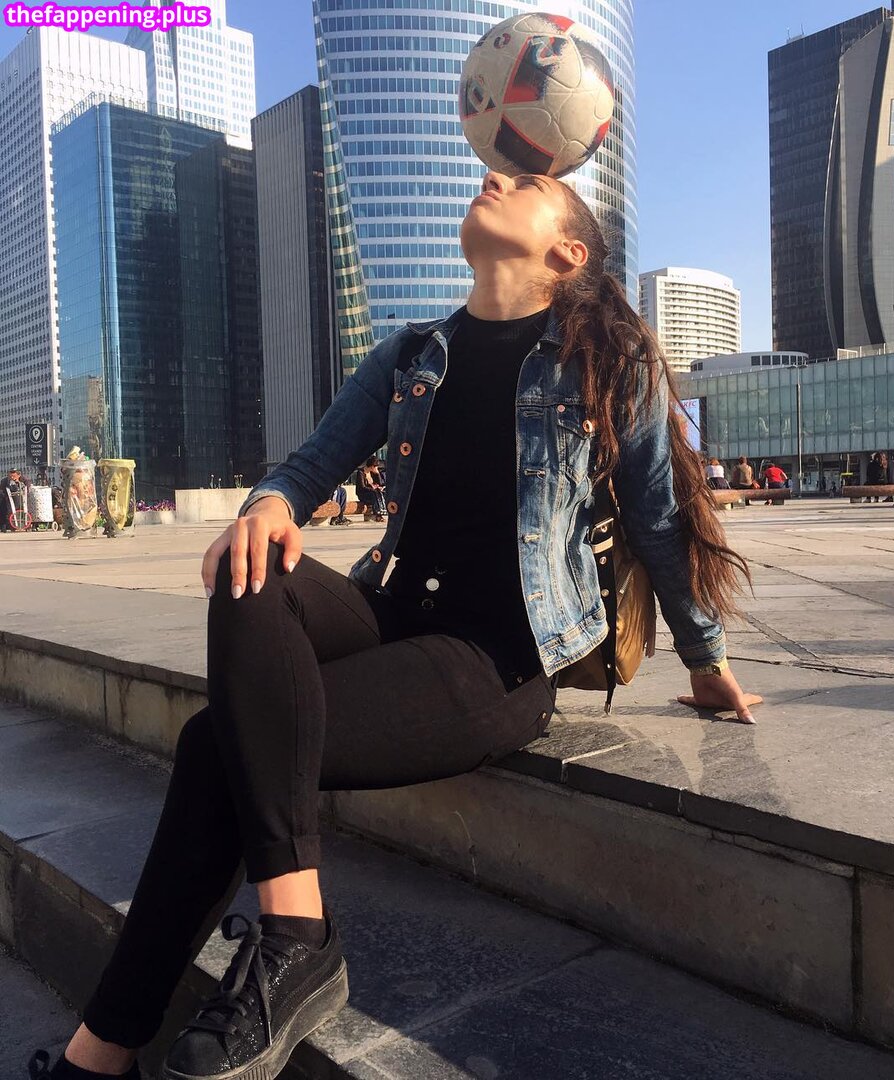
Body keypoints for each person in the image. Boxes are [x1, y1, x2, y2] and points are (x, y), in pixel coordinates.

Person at [31, 171, 761, 1080]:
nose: (493, 175)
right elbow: (308, 467)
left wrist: (705, 659)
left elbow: (659, 518)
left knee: (219, 744)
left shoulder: (611, 360)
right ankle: (297, 931)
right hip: (391, 609)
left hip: (499, 654)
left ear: (567, 252)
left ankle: (101, 1057)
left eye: (527, 182)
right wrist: (269, 504)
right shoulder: (414, 354)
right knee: (255, 570)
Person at [0, 467, 30, 532]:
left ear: (19, 475)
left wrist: (18, 483)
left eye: (14, 476)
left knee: (24, 508)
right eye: (10, 476)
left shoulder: (25, 480)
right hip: (8, 498)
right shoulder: (4, 481)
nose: (12, 477)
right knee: (4, 508)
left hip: (21, 498)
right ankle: (5, 526)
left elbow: (27, 490)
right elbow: (2, 491)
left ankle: (26, 525)